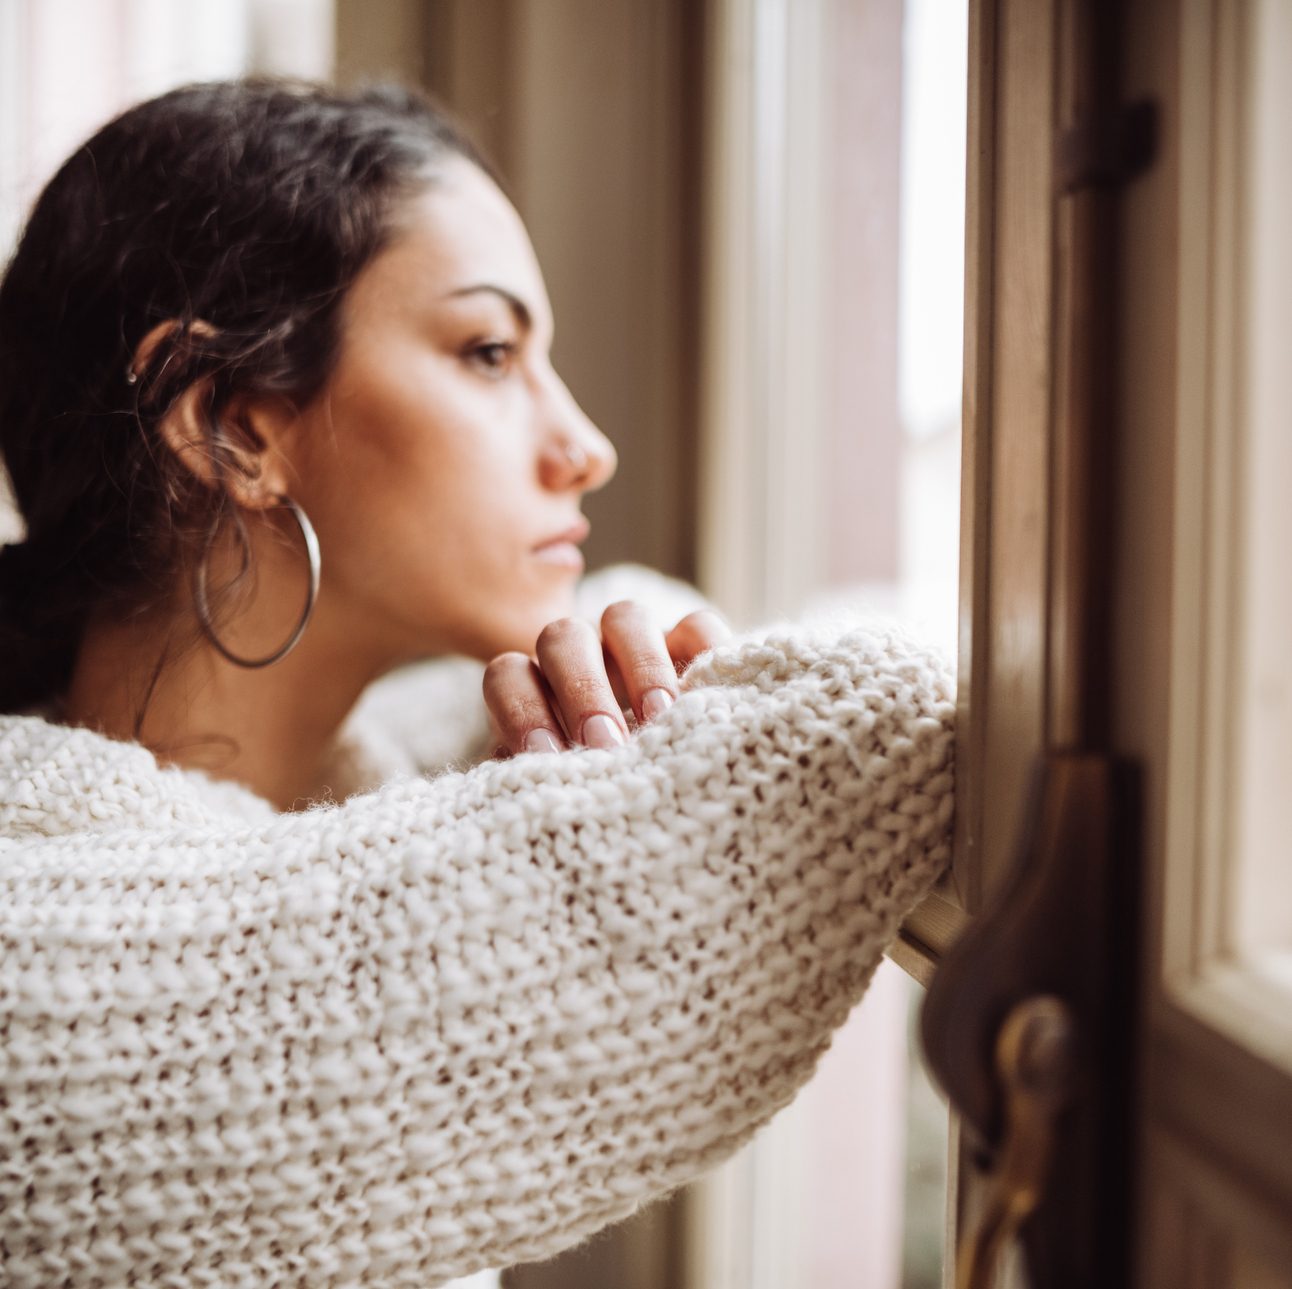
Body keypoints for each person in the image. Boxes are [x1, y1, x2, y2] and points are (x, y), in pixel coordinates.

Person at [0, 80, 954, 1287]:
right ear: (233, 426)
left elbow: (627, 599)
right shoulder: (54, 968)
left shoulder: (345, 790)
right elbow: (856, 724)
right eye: (489, 352)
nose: (584, 445)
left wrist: (630, 643)